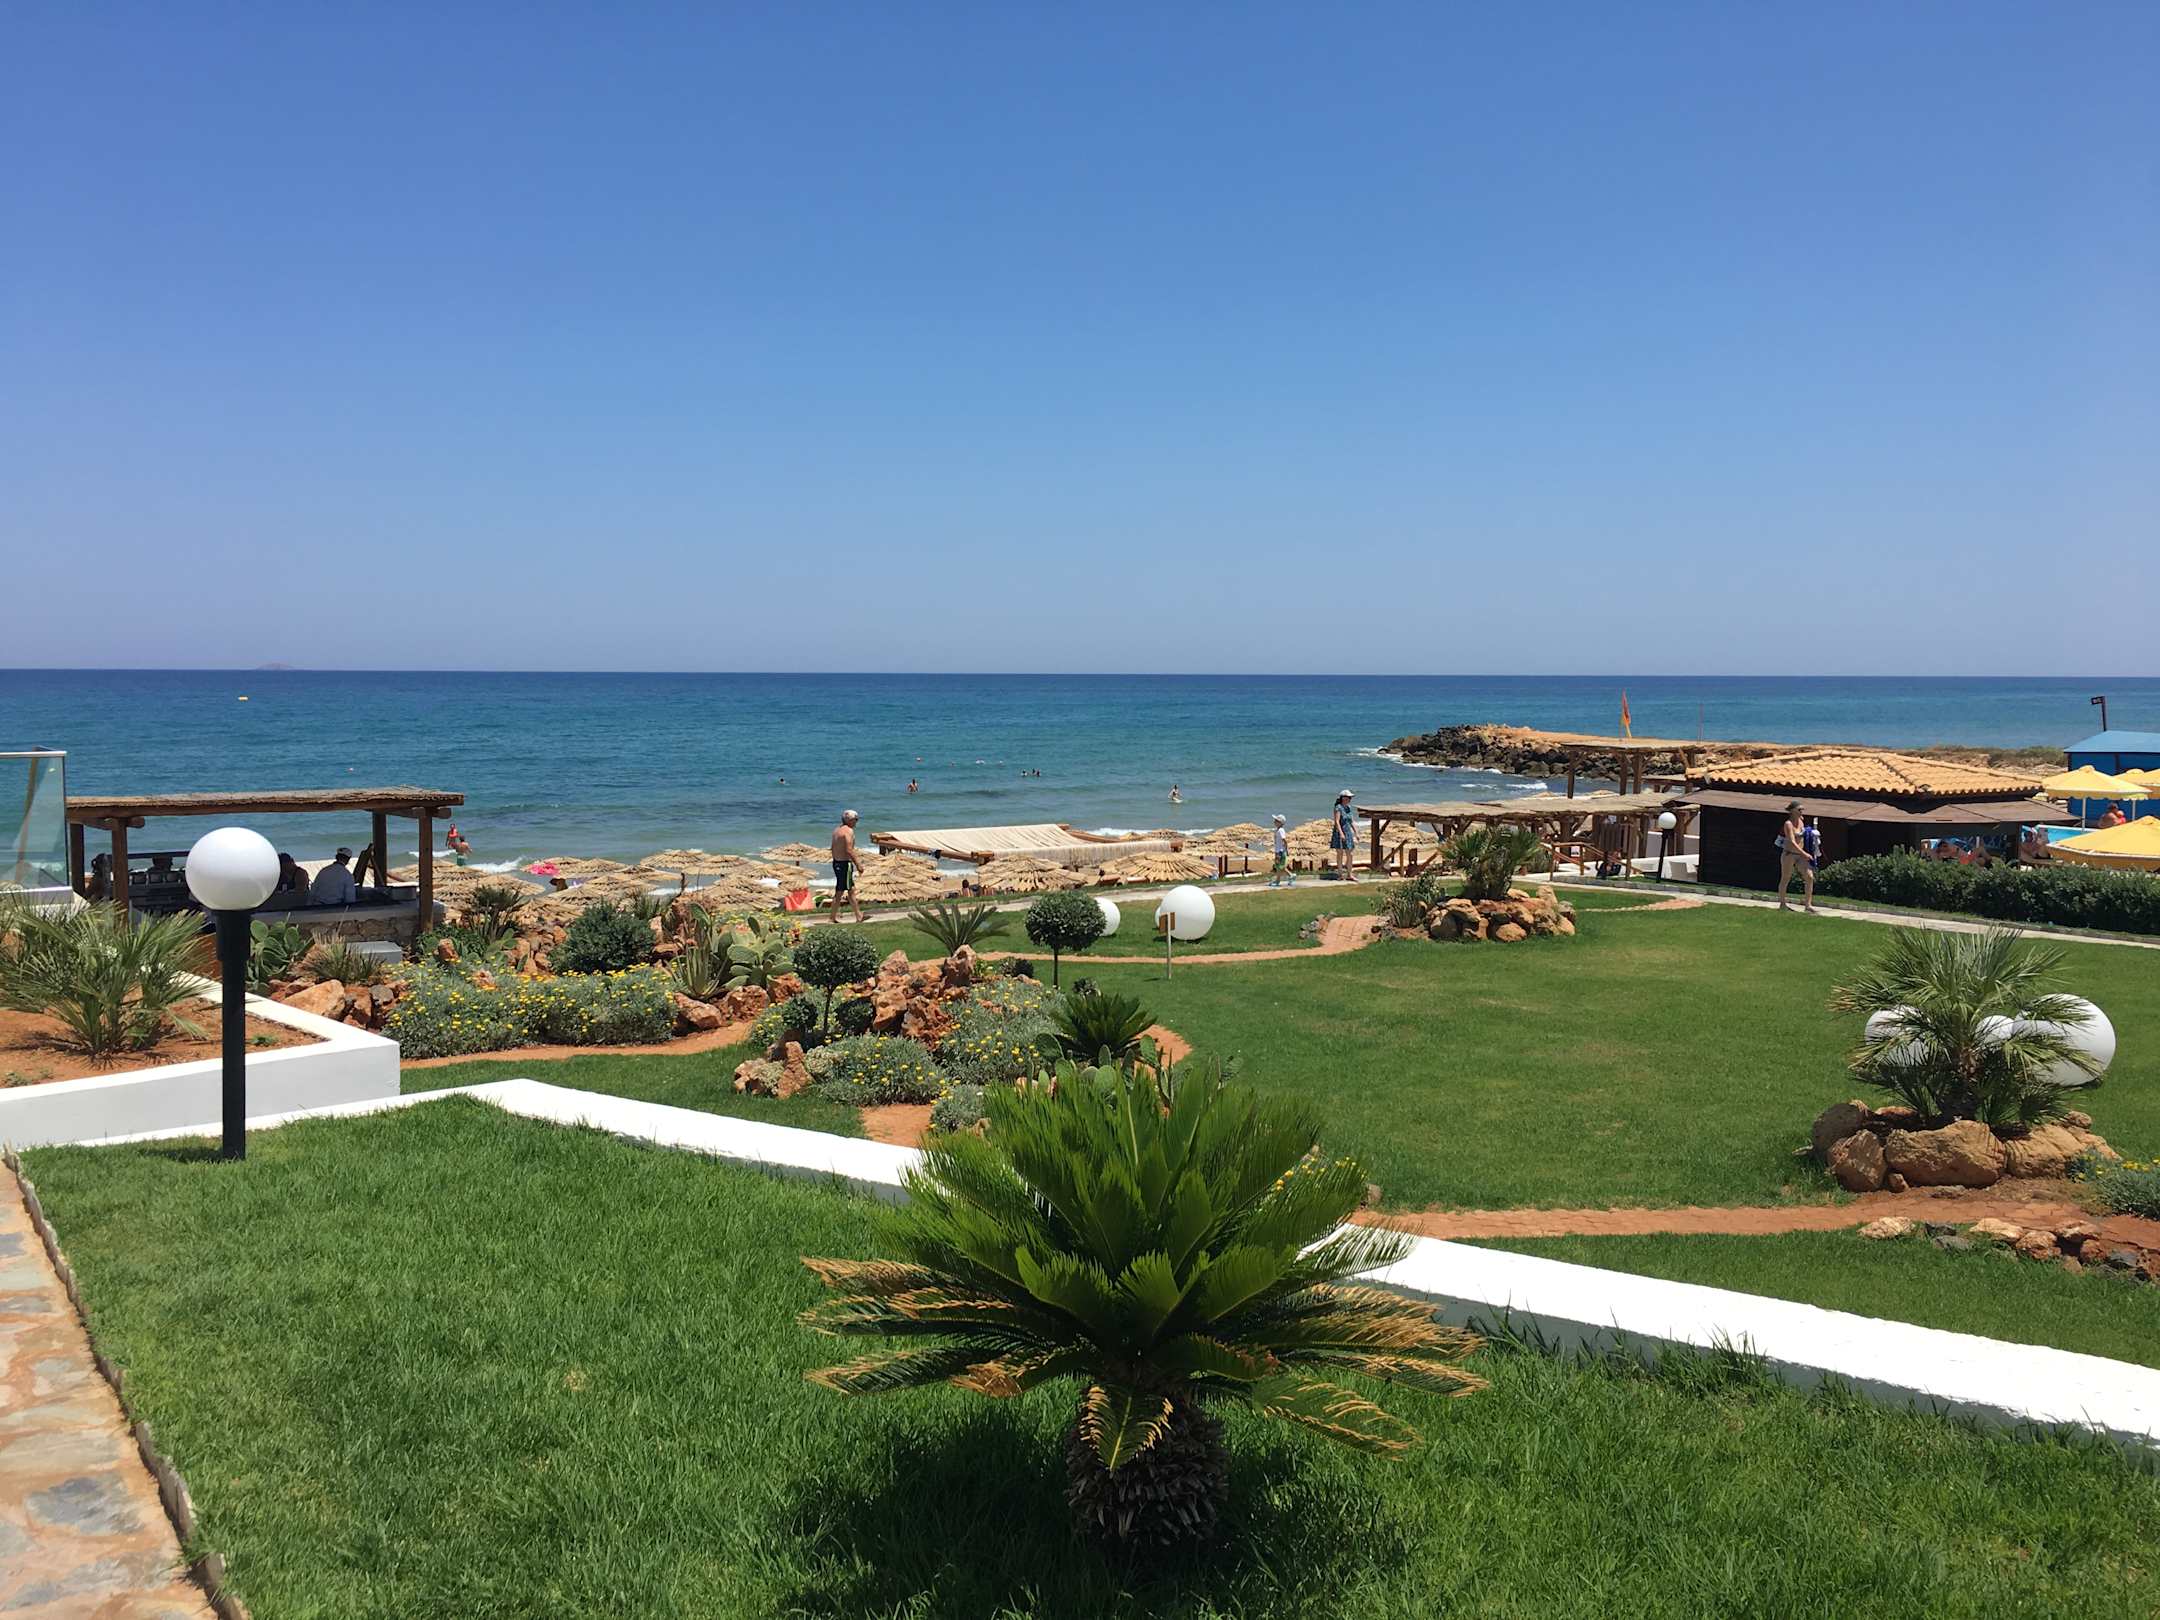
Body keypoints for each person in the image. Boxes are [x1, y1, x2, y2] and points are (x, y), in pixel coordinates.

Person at [1775, 802, 1816, 912]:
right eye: (1799, 809)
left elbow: (1805, 834)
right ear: (1792, 810)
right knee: (1786, 878)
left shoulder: (1801, 821)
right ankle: (1782, 904)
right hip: (1789, 854)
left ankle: (1808, 905)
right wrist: (1805, 854)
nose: (1801, 811)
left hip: (1800, 855)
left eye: (1802, 809)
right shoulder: (1788, 824)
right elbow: (1792, 842)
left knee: (1809, 876)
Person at [829, 810, 866, 923]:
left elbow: (832, 848)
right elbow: (849, 850)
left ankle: (835, 917)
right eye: (855, 819)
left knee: (846, 890)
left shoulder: (837, 830)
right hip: (844, 864)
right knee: (846, 891)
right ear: (849, 820)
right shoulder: (848, 831)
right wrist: (858, 864)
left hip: (837, 863)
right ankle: (857, 916)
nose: (856, 822)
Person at [1330, 790, 1358, 881]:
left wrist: (1356, 832)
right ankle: (1340, 874)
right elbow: (1337, 822)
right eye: (1348, 797)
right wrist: (1341, 833)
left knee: (1350, 853)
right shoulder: (1338, 807)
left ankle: (1349, 874)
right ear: (1343, 798)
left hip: (1348, 832)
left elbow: (1351, 821)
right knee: (1340, 854)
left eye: (1350, 798)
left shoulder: (1348, 807)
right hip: (1339, 832)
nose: (1349, 799)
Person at [1268, 813, 1293, 888]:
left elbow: (1284, 840)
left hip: (1280, 851)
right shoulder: (1278, 830)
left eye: (1276, 821)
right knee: (1279, 867)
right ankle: (1287, 877)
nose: (1274, 822)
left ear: (1280, 823)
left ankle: (1282, 879)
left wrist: (1285, 849)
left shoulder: (1281, 830)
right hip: (1278, 851)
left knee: (1279, 867)